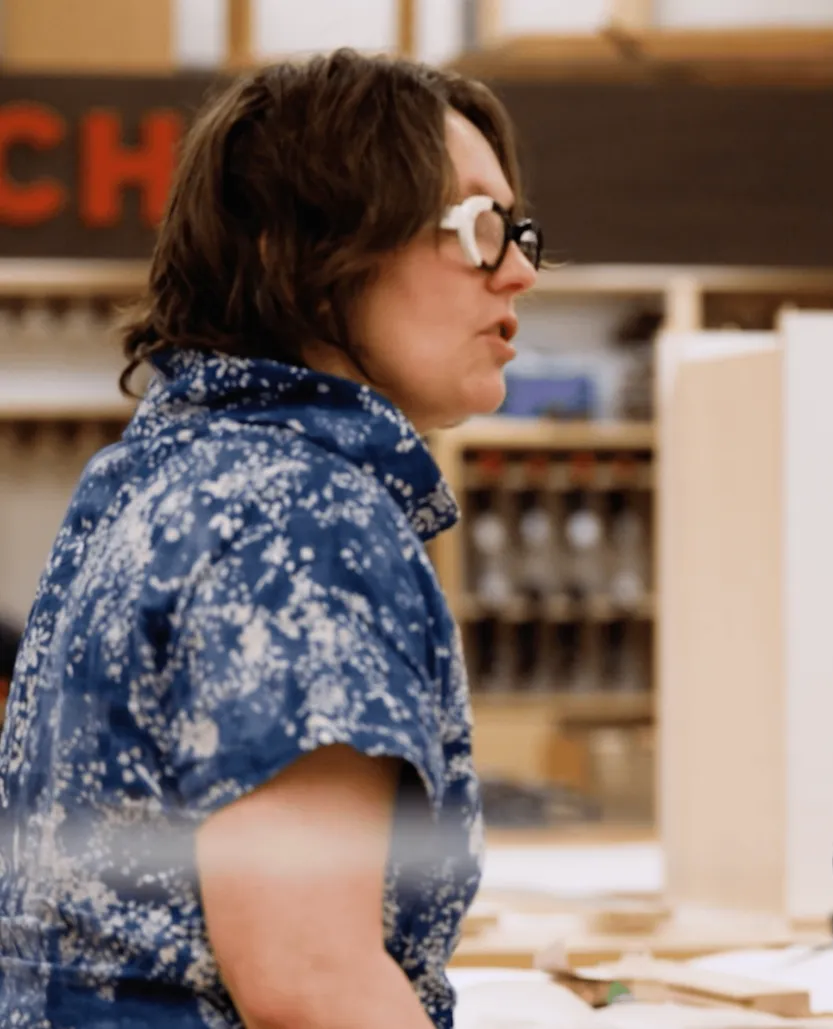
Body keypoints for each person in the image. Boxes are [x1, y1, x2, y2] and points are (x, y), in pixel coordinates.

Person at [0, 50, 539, 1028]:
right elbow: (309, 980)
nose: (519, 271)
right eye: (477, 228)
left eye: (518, 228)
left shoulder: (151, 475)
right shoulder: (301, 512)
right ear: (313, 247)